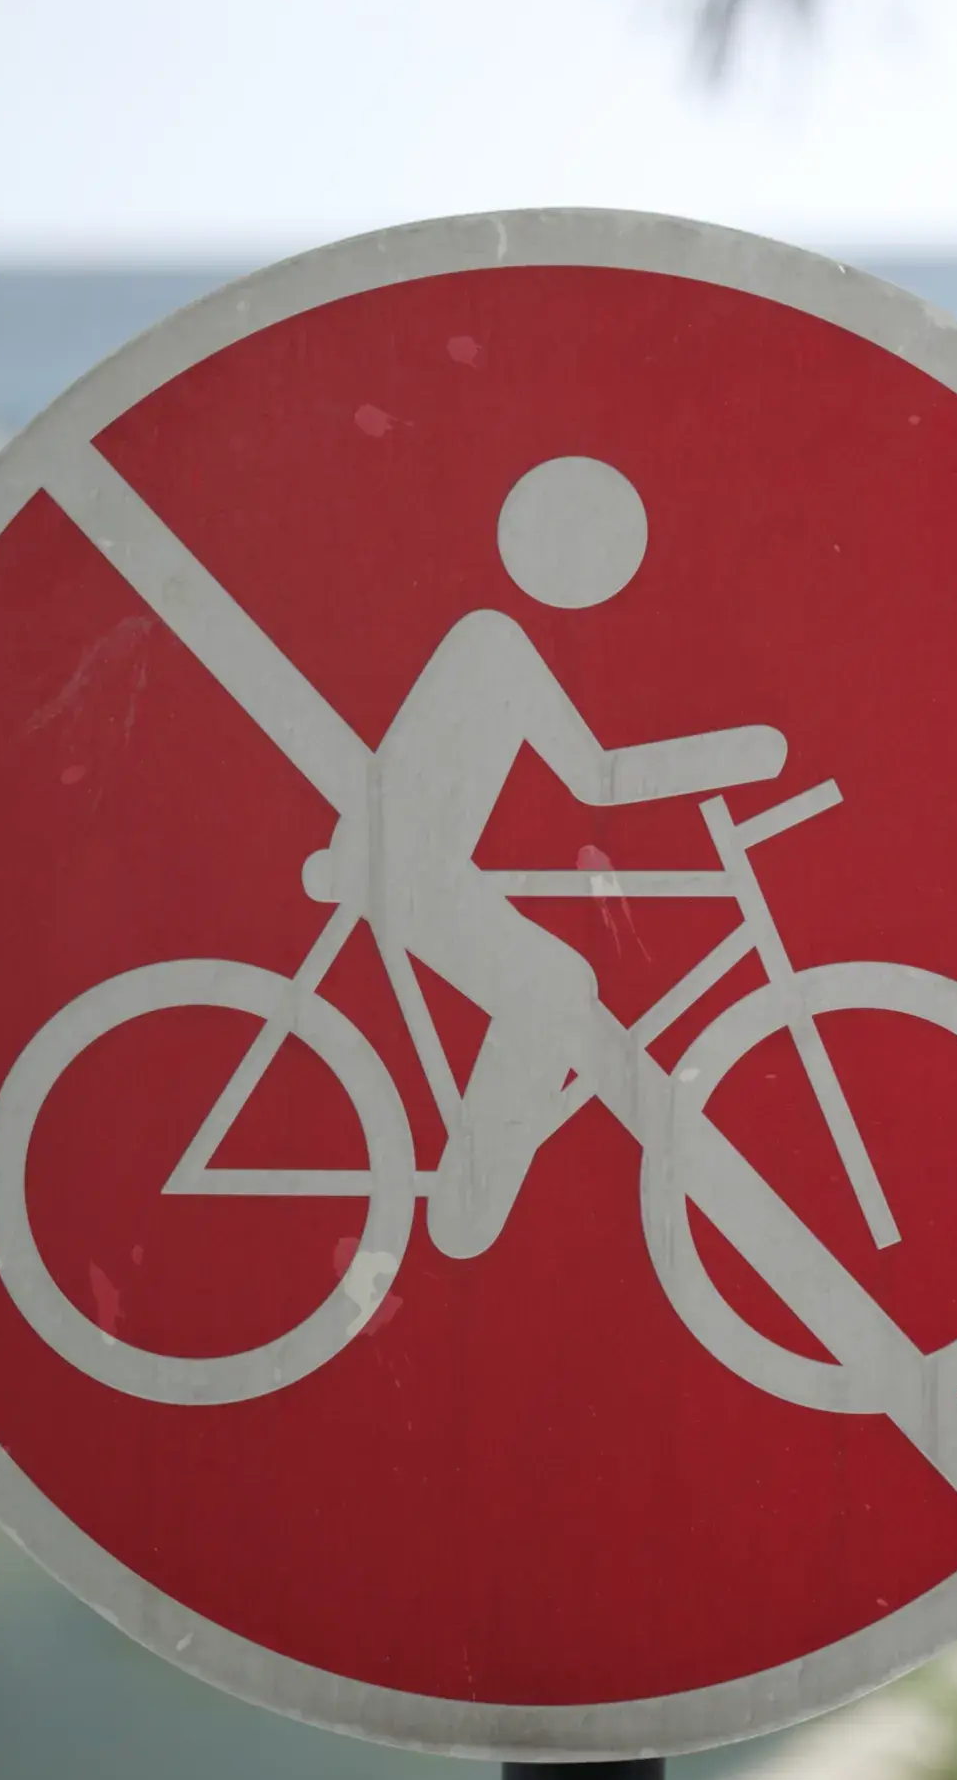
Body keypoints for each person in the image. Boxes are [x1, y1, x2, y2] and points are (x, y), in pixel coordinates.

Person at [308, 455, 781, 1259]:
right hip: (404, 868)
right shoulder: (492, 640)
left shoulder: (497, 641)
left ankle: (473, 1184)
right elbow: (593, 776)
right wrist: (736, 756)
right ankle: (468, 1206)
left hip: (418, 864)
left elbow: (590, 774)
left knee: (553, 980)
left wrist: (733, 757)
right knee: (556, 981)